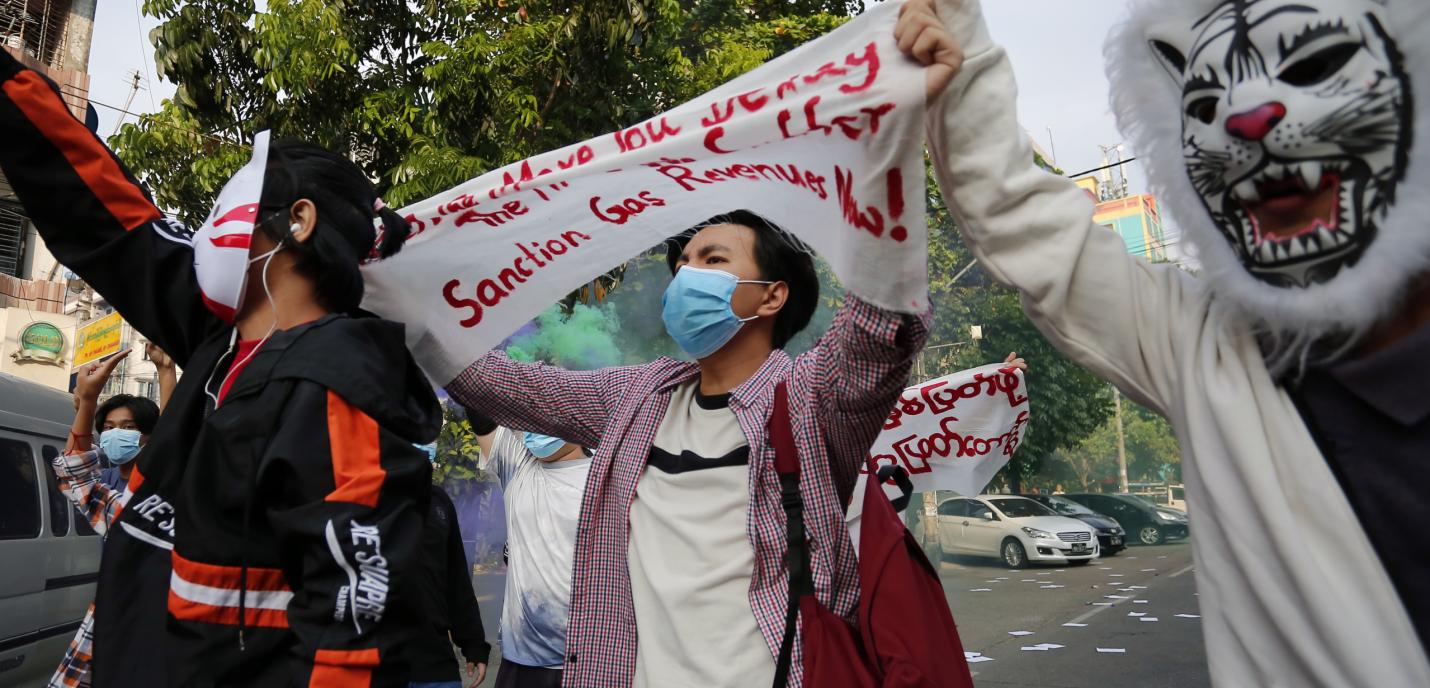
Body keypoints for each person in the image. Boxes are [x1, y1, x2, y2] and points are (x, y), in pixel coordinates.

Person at [910, 0, 1430, 683]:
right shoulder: (1206, 345)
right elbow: (1025, 225)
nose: (1249, 120)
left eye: (1314, 66)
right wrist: (959, 48)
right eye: (1206, 104)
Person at [1, 48, 441, 687]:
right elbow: (107, 216)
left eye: (231, 207)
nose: (207, 231)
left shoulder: (337, 388)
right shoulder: (221, 340)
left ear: (297, 222)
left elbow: (351, 641)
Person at [448, 208, 932, 688]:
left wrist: (877, 176)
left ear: (772, 296)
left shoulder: (810, 399)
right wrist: (392, 286)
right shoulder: (641, 397)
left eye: (713, 258)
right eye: (682, 262)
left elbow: (883, 323)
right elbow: (500, 385)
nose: (684, 272)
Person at [465, 408, 590, 688]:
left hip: (587, 661)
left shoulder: (606, 475)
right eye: (533, 414)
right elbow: (477, 401)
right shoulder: (518, 463)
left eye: (550, 413)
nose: (538, 425)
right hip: (521, 661)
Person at [409, 475, 491, 688]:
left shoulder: (437, 500)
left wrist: (473, 642)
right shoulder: (350, 497)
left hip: (435, 663)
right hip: (373, 664)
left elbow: (456, 580)